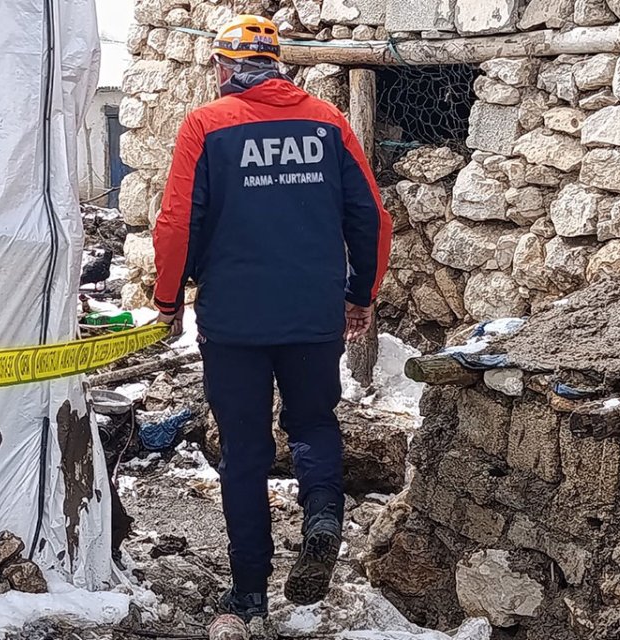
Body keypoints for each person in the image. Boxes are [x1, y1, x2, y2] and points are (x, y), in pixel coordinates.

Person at [151, 14, 392, 621]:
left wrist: (168, 299)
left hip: (234, 320)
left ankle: (249, 591)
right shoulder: (328, 122)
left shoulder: (206, 125)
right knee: (313, 423)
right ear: (277, 65)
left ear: (224, 66)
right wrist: (360, 293)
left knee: (245, 451)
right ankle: (323, 516)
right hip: (312, 311)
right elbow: (371, 218)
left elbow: (177, 222)